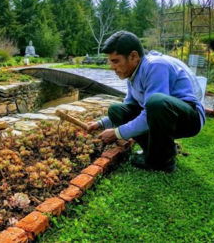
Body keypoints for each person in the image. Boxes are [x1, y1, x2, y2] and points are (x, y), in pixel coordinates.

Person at [87, 31, 205, 172]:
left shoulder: (156, 66)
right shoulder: (132, 75)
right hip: (164, 115)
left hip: (190, 118)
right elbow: (129, 106)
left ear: (133, 56)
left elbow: (154, 108)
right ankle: (155, 151)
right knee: (116, 110)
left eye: (115, 61)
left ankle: (163, 162)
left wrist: (118, 133)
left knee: (156, 102)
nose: (112, 67)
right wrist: (100, 124)